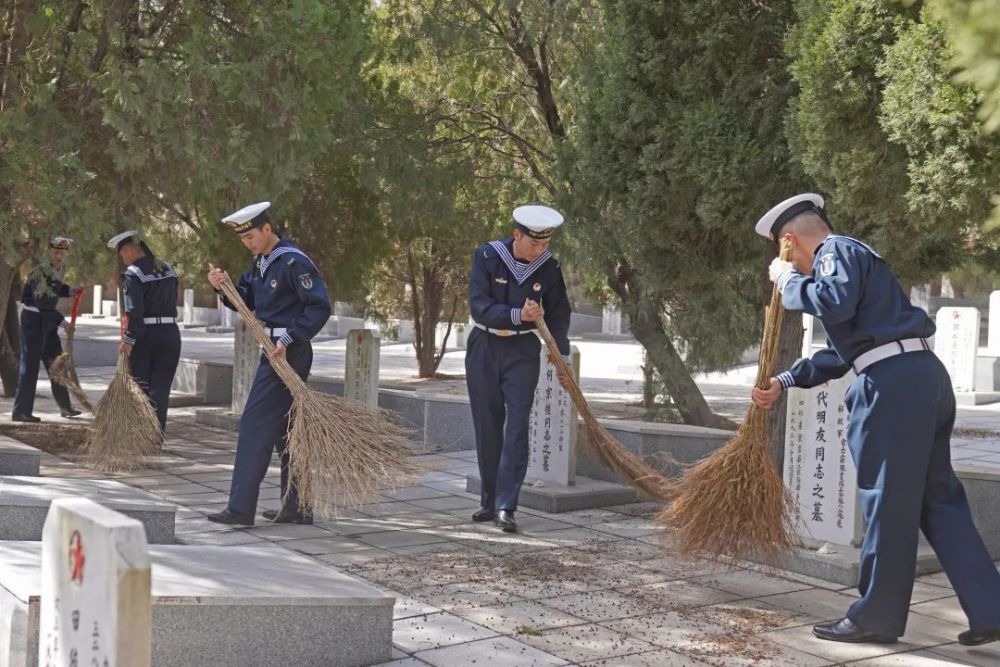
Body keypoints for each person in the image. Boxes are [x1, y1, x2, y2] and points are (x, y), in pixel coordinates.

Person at [751, 193, 1000, 646]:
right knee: (937, 500)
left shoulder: (836, 251)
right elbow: (848, 347)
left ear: (790, 241)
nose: (798, 268)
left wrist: (788, 282)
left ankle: (877, 618)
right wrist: (786, 380)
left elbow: (834, 304)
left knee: (887, 502)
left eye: (788, 256)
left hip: (892, 387)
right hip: (918, 376)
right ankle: (991, 609)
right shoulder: (858, 260)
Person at [206, 202, 331, 526]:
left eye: (250, 236)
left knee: (254, 425)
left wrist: (289, 338)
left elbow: (318, 308)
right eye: (243, 239)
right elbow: (246, 297)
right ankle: (297, 506)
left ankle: (240, 509)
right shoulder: (262, 262)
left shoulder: (293, 262)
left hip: (288, 352)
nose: (247, 243)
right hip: (274, 349)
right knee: (288, 431)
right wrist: (223, 286)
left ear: (267, 229)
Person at [466, 205, 572, 534]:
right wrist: (517, 314)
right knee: (487, 423)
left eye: (545, 244)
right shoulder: (487, 257)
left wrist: (559, 351)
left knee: (516, 426)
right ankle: (489, 499)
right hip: (484, 347)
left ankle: (506, 505)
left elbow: (559, 311)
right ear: (517, 235)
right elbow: (479, 305)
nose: (540, 250)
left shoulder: (549, 268)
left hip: (522, 352)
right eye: (534, 243)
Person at [106, 231, 182, 431]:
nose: (123, 258)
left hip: (146, 336)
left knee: (142, 388)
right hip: (171, 333)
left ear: (131, 249)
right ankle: (156, 435)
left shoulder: (133, 274)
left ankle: (142, 436)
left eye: (123, 253)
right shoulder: (169, 269)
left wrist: (129, 340)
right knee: (162, 388)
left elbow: (135, 312)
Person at [12, 236, 83, 422]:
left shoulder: (59, 268)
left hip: (47, 321)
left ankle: (65, 407)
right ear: (49, 251)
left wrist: (70, 291)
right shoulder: (41, 271)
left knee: (56, 363)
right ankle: (21, 411)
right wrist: (64, 323)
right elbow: (43, 304)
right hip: (34, 320)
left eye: (62, 253)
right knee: (30, 366)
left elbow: (55, 288)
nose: (59, 256)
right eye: (56, 252)